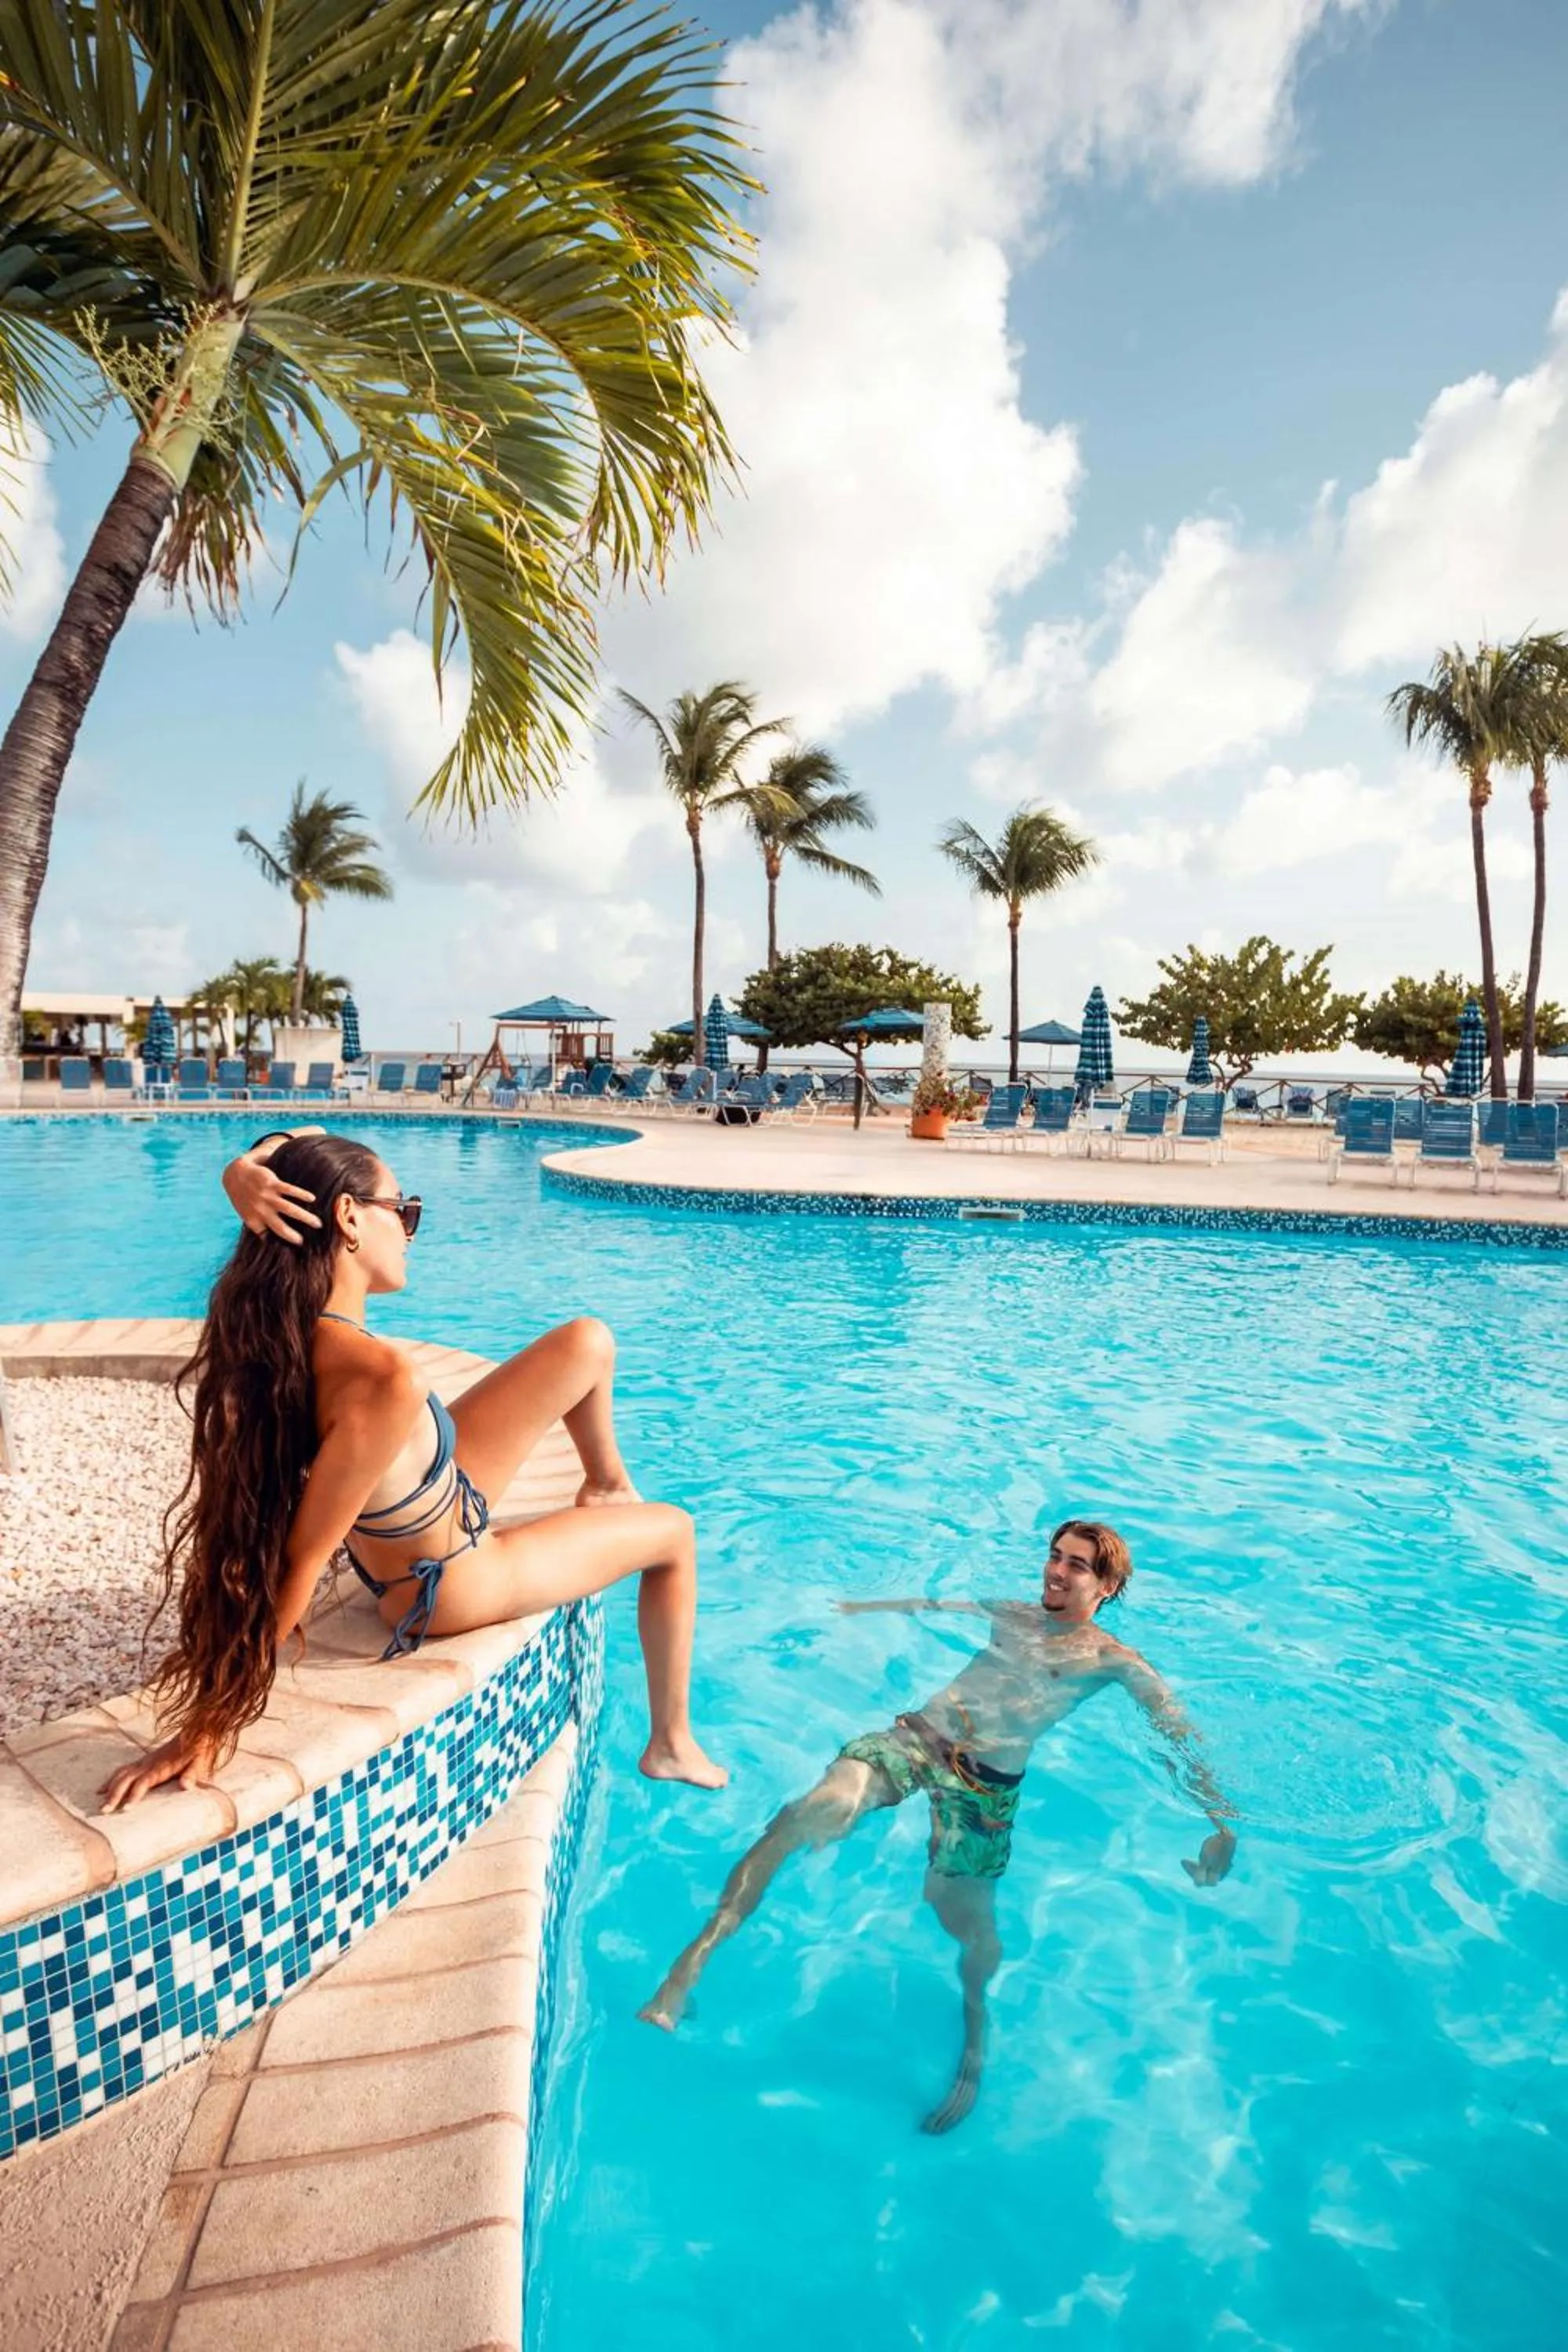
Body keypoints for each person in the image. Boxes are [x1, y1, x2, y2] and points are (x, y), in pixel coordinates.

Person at [101, 1128, 726, 1809]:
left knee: (586, 1342)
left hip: (436, 1495)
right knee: (674, 1533)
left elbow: (307, 1147)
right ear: (347, 1218)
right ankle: (670, 1743)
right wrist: (212, 1725)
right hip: (454, 1581)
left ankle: (605, 1487)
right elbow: (299, 1560)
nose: (409, 1230)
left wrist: (241, 1170)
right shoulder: (380, 1379)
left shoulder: (289, 1328)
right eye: (404, 1211)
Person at [641, 1520, 1234, 2133]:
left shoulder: (1115, 1662)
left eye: (1077, 1566)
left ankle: (974, 2051)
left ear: (1107, 1586)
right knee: (811, 1811)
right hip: (919, 1741)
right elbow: (930, 1603)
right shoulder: (1013, 1614)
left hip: (985, 1791)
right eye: (1055, 1557)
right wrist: (851, 1607)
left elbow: (1180, 1737)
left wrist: (1222, 1825)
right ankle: (691, 1965)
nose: (1056, 1572)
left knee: (966, 1924)